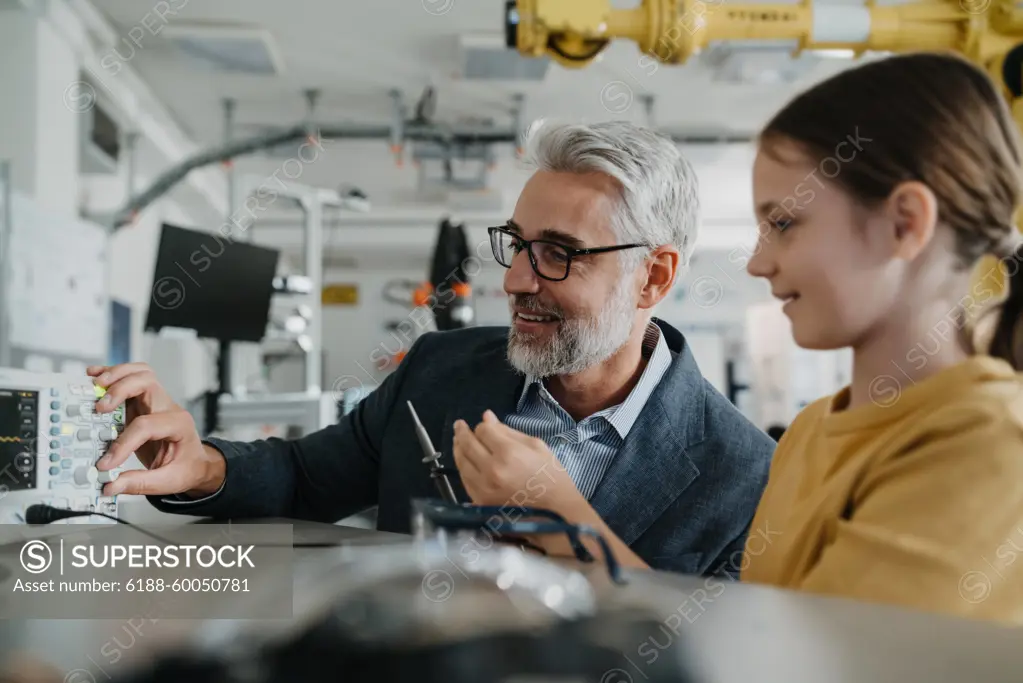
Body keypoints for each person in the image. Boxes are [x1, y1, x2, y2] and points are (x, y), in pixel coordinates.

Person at [454, 52, 1023, 625]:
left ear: (905, 224)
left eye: (784, 224)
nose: (757, 263)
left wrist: (564, 522)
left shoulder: (992, 446)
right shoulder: (809, 433)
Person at [89, 120, 775, 576]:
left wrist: (566, 520)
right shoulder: (439, 367)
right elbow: (304, 478)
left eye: (559, 254)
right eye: (515, 244)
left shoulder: (744, 472)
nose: (513, 280)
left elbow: (716, 654)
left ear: (653, 275)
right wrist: (201, 465)